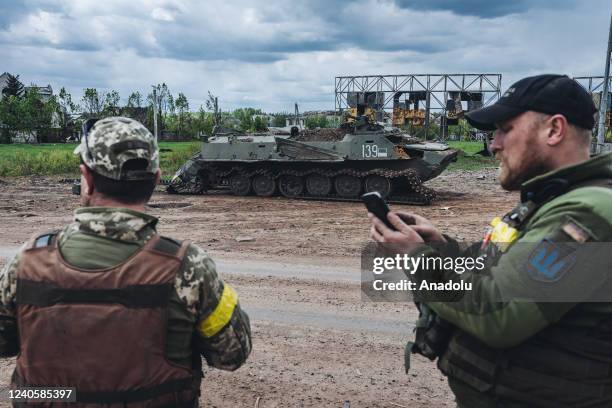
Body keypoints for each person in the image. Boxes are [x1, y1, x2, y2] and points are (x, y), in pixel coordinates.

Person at [369, 74, 612, 407]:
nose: (494, 144)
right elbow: (503, 272)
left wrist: (416, 256)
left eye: (506, 129)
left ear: (554, 130)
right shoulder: (553, 198)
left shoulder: (587, 214)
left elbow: (499, 310)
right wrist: (440, 246)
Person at [0, 117, 252, 407]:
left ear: (87, 178)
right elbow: (233, 353)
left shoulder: (27, 262)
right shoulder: (188, 267)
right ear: (156, 179)